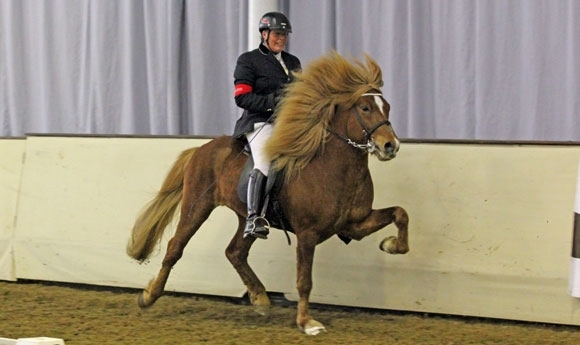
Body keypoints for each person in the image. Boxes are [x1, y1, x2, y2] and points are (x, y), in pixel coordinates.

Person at [232, 12, 302, 239]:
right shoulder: (248, 60)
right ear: (264, 34)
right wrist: (272, 102)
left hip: (289, 124)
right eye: (277, 34)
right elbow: (242, 97)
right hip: (261, 122)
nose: (281, 38)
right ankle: (253, 218)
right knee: (265, 161)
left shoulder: (293, 62)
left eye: (284, 35)